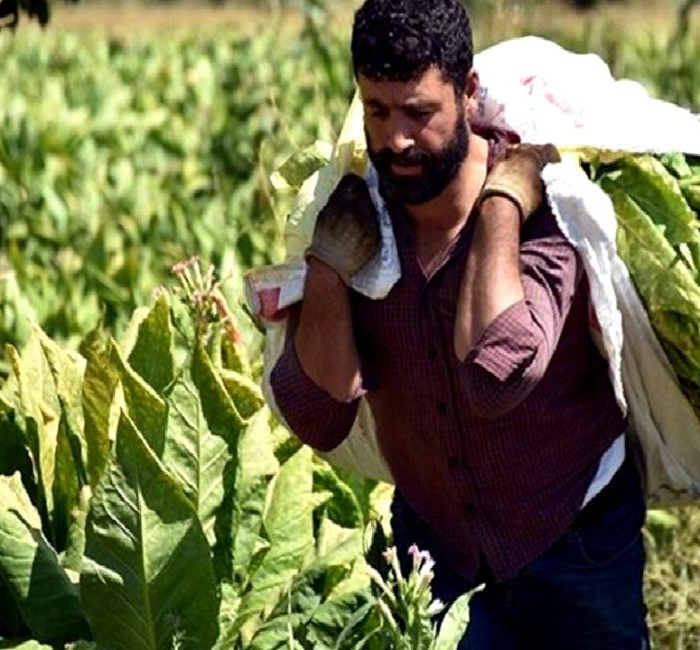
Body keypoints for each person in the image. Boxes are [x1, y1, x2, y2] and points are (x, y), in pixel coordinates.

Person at [268, 0, 649, 646]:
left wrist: (501, 205)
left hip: (575, 543)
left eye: (419, 113)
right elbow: (318, 415)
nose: (396, 140)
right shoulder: (360, 217)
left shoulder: (550, 203)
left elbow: (496, 373)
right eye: (377, 111)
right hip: (435, 557)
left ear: (467, 93)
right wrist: (330, 272)